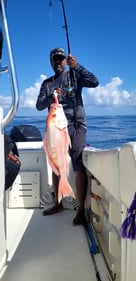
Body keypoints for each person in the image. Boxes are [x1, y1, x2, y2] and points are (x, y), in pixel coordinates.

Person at [36, 47, 99, 226]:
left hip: (76, 126)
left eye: (61, 59)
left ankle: (80, 211)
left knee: (78, 165)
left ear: (66, 61)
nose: (58, 61)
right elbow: (39, 105)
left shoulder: (75, 76)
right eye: (55, 59)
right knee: (57, 165)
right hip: (56, 128)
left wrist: (77, 66)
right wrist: (51, 97)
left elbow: (94, 82)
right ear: (51, 62)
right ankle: (58, 204)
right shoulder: (47, 84)